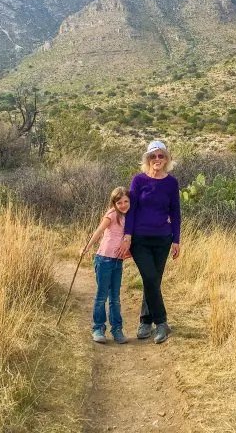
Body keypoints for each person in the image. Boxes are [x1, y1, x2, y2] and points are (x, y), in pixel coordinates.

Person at [123, 140, 181, 344]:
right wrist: (127, 235)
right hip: (140, 239)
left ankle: (145, 322)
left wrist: (177, 239)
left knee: (153, 280)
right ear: (147, 158)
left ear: (167, 159)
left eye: (161, 155)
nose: (157, 159)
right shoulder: (138, 181)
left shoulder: (171, 183)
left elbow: (175, 212)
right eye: (153, 156)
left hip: (163, 239)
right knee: (149, 277)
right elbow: (130, 210)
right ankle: (162, 322)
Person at [80, 186, 132, 344]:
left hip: (118, 261)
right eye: (119, 202)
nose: (123, 205)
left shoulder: (130, 217)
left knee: (115, 297)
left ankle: (117, 329)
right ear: (114, 203)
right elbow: (98, 231)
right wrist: (87, 247)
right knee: (102, 296)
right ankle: (98, 328)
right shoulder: (112, 214)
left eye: (126, 201)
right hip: (104, 259)